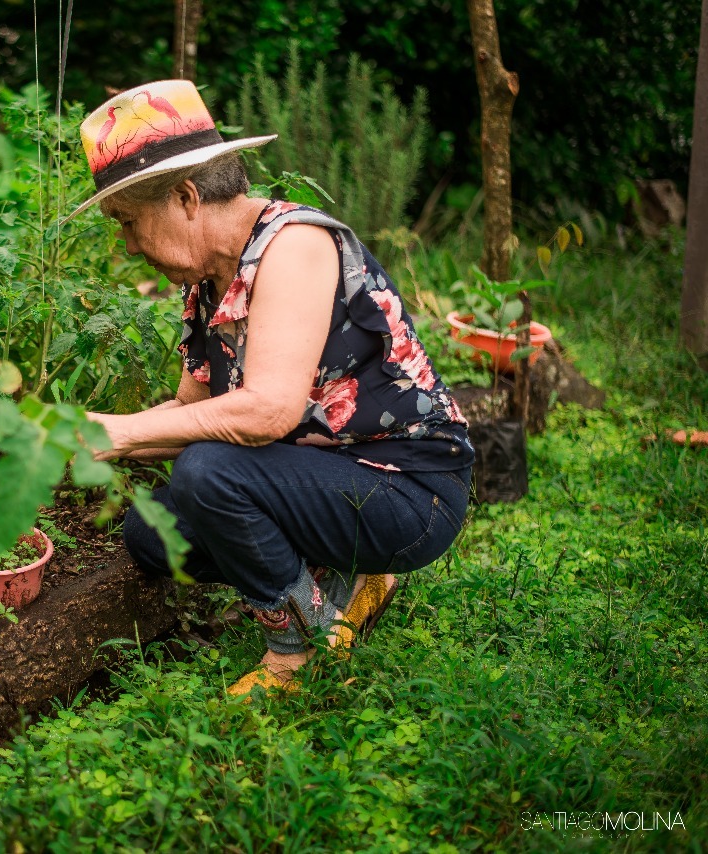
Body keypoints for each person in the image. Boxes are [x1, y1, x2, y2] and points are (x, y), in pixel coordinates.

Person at [67, 80, 473, 695]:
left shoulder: (295, 246)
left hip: (409, 491)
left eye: (128, 223)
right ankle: (347, 583)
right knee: (152, 535)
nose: (126, 245)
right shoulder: (209, 276)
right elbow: (190, 410)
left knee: (207, 474)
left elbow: (268, 412)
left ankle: (299, 649)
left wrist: (121, 432)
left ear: (185, 198)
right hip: (327, 479)